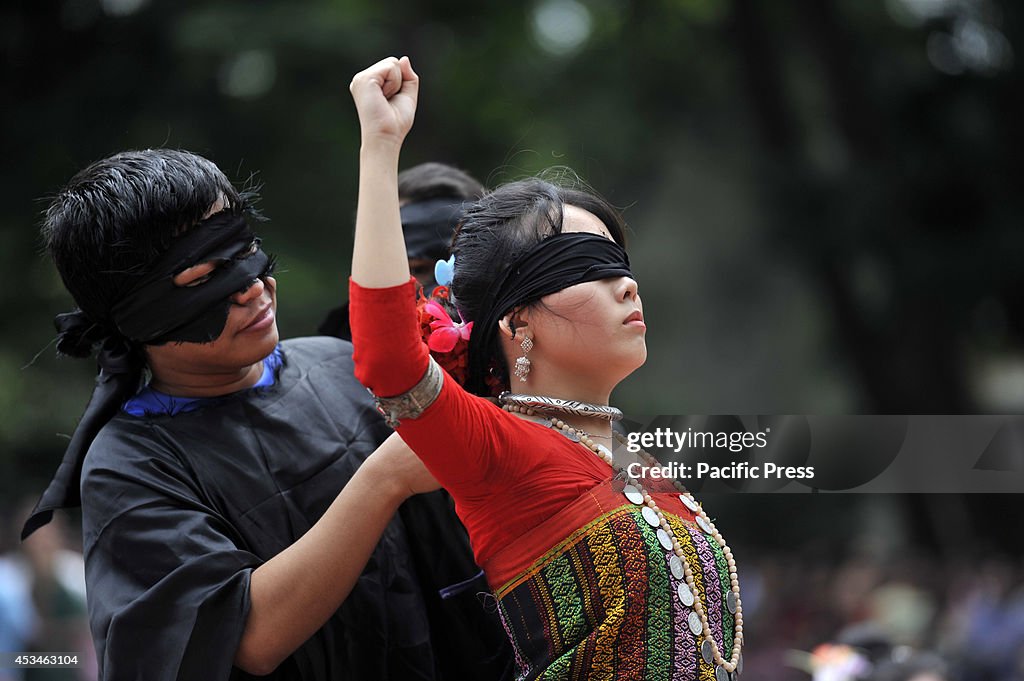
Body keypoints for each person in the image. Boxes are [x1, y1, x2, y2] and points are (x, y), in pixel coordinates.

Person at [23, 149, 511, 680]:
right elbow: (248, 637)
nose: (252, 285)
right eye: (203, 277)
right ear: (138, 314)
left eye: (247, 250)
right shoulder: (131, 465)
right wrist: (385, 478)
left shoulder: (341, 365)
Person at [347, 56, 744, 680]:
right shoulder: (497, 450)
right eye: (588, 269)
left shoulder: (629, 454)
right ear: (516, 322)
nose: (629, 287)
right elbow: (389, 360)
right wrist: (381, 145)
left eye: (623, 264)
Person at [317, 161, 485, 339]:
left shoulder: (512, 350)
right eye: (418, 269)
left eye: (460, 268)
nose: (441, 290)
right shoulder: (326, 361)